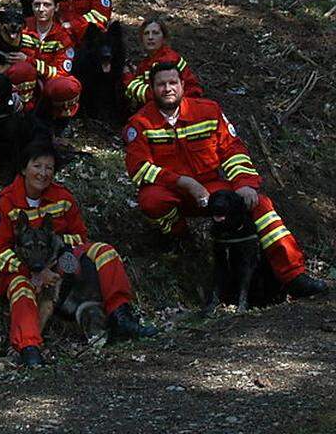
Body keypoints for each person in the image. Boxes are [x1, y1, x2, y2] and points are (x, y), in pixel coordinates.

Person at [124, 63, 328, 298]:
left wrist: (243, 184)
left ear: (182, 85)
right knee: (151, 200)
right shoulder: (139, 123)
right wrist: (185, 183)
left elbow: (232, 150)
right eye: (161, 84)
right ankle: (180, 240)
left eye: (173, 83)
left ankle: (294, 276)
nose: (167, 88)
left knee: (261, 205)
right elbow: (138, 168)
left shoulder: (208, 111)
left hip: (214, 189)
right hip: (175, 192)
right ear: (152, 88)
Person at [0, 141, 156, 367]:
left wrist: (58, 257)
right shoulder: (6, 203)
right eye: (37, 166)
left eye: (49, 168)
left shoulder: (62, 197)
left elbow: (80, 237)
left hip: (58, 259)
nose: (43, 173)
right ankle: (29, 348)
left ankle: (121, 317)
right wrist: (33, 271)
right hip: (19, 267)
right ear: (24, 169)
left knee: (104, 252)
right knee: (21, 288)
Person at [21, 0, 83, 129]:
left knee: (67, 86)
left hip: (49, 85)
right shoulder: (20, 25)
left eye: (47, 5)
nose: (41, 9)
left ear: (56, 7)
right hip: (22, 84)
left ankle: (60, 124)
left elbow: (62, 71)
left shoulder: (63, 36)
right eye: (37, 5)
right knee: (20, 70)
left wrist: (31, 63)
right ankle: (20, 116)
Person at [122, 17, 203, 109]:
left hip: (181, 108)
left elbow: (151, 96)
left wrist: (127, 77)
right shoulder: (148, 61)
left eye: (155, 33)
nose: (150, 37)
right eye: (146, 33)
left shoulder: (166, 60)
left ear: (164, 38)